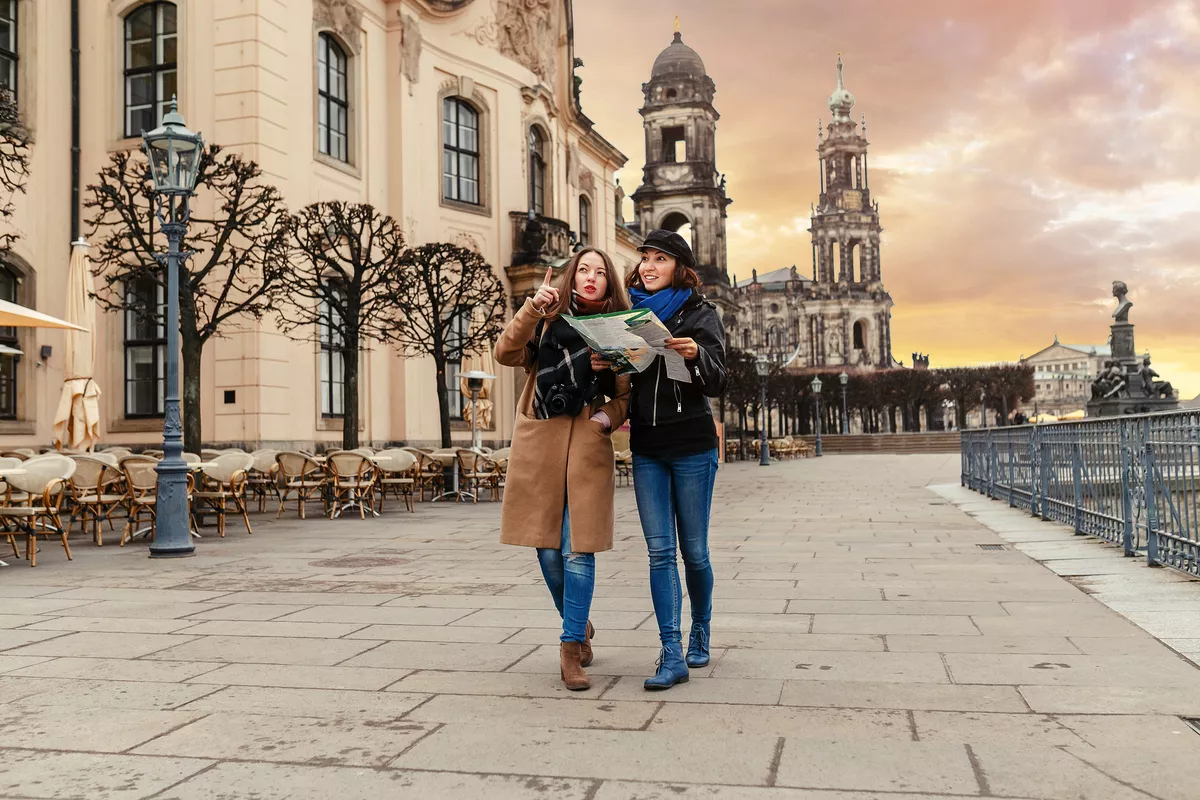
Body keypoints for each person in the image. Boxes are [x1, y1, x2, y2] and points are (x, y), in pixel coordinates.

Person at [493, 247, 631, 691]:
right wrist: (532, 307)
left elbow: (626, 397)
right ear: (572, 276)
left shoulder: (619, 331)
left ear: (610, 283)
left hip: (587, 447)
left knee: (577, 549)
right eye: (583, 270)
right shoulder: (548, 319)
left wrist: (605, 418)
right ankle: (581, 622)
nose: (591, 277)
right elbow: (505, 353)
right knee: (547, 550)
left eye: (600, 273)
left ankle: (571, 648)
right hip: (541, 443)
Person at [622, 229, 727, 691]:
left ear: (678, 267)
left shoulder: (701, 314)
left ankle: (700, 627)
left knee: (695, 552)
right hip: (647, 446)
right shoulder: (628, 315)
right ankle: (670, 650)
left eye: (659, 259)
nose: (647, 266)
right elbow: (625, 387)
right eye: (644, 257)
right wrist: (608, 365)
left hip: (692, 445)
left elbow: (719, 380)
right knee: (659, 552)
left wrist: (696, 354)